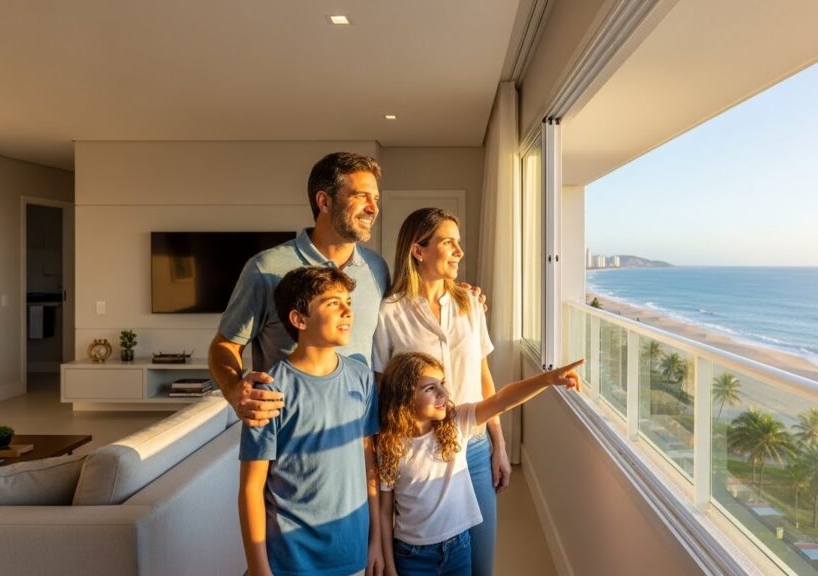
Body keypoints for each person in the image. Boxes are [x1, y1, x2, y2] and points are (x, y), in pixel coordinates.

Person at [210, 151, 389, 427]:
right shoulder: (265, 268)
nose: (373, 208)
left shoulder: (377, 268)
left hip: (358, 432)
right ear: (324, 201)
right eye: (360, 196)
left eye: (375, 198)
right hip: (290, 433)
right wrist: (235, 390)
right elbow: (225, 345)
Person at [371, 208, 505, 576]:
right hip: (420, 455)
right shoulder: (389, 313)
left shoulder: (470, 304)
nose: (460, 251)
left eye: (458, 243)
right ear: (418, 250)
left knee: (481, 566)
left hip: (474, 447)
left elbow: (483, 376)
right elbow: (384, 391)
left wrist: (499, 444)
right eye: (449, 243)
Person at [376, 352, 583, 576]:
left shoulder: (456, 422)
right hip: (411, 556)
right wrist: (390, 566)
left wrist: (547, 379)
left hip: (458, 549)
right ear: (404, 395)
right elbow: (385, 512)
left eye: (442, 384)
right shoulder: (389, 446)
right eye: (430, 388)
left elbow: (501, 400)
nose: (443, 393)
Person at [238, 266, 382, 576]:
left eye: (348, 302)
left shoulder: (361, 377)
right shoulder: (268, 391)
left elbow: (368, 460)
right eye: (333, 303)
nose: (347, 311)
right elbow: (251, 489)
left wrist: (376, 542)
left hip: (353, 555)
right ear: (299, 319)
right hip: (291, 562)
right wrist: (259, 569)